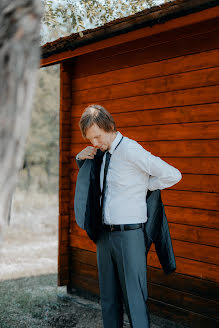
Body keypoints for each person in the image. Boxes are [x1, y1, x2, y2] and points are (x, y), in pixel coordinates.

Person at [75, 104, 182, 328]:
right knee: (108, 301)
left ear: (110, 127)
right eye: (90, 139)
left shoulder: (132, 151)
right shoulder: (100, 154)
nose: (94, 143)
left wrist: (144, 186)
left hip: (129, 237)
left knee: (134, 301)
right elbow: (94, 186)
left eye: (97, 136)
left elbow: (173, 174)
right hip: (104, 237)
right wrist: (80, 158)